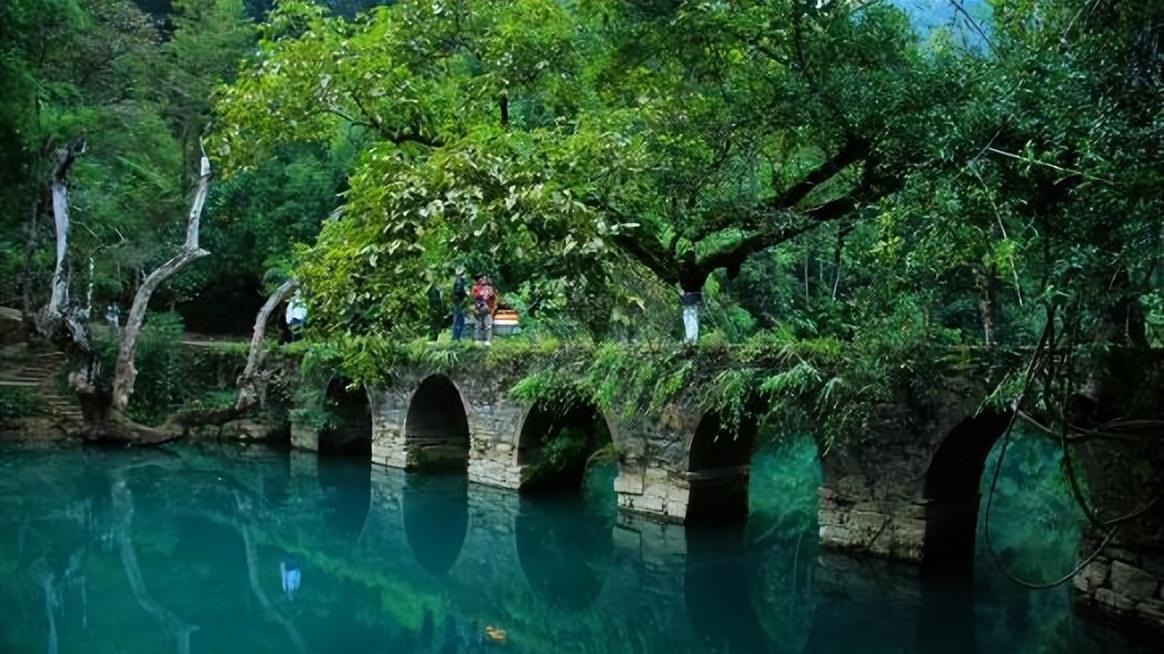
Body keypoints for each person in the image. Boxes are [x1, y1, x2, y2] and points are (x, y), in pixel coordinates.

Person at [470, 274, 496, 344]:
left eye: (483, 278)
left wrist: (491, 293)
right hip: (478, 308)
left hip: (487, 308)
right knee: (478, 325)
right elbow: (472, 298)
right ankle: (478, 340)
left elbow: (493, 297)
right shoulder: (475, 288)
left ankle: (487, 340)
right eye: (481, 278)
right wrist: (473, 308)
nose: (483, 279)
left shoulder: (489, 288)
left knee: (488, 325)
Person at [426, 270, 444, 342]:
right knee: (434, 323)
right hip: (433, 307)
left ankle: (434, 338)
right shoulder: (431, 289)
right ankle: (432, 337)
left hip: (436, 307)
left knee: (435, 322)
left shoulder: (435, 289)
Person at [451, 266, 467, 341]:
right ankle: (456, 338)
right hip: (458, 303)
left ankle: (457, 337)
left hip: (458, 303)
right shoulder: (459, 282)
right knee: (458, 320)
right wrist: (465, 293)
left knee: (460, 320)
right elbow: (458, 293)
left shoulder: (458, 281)